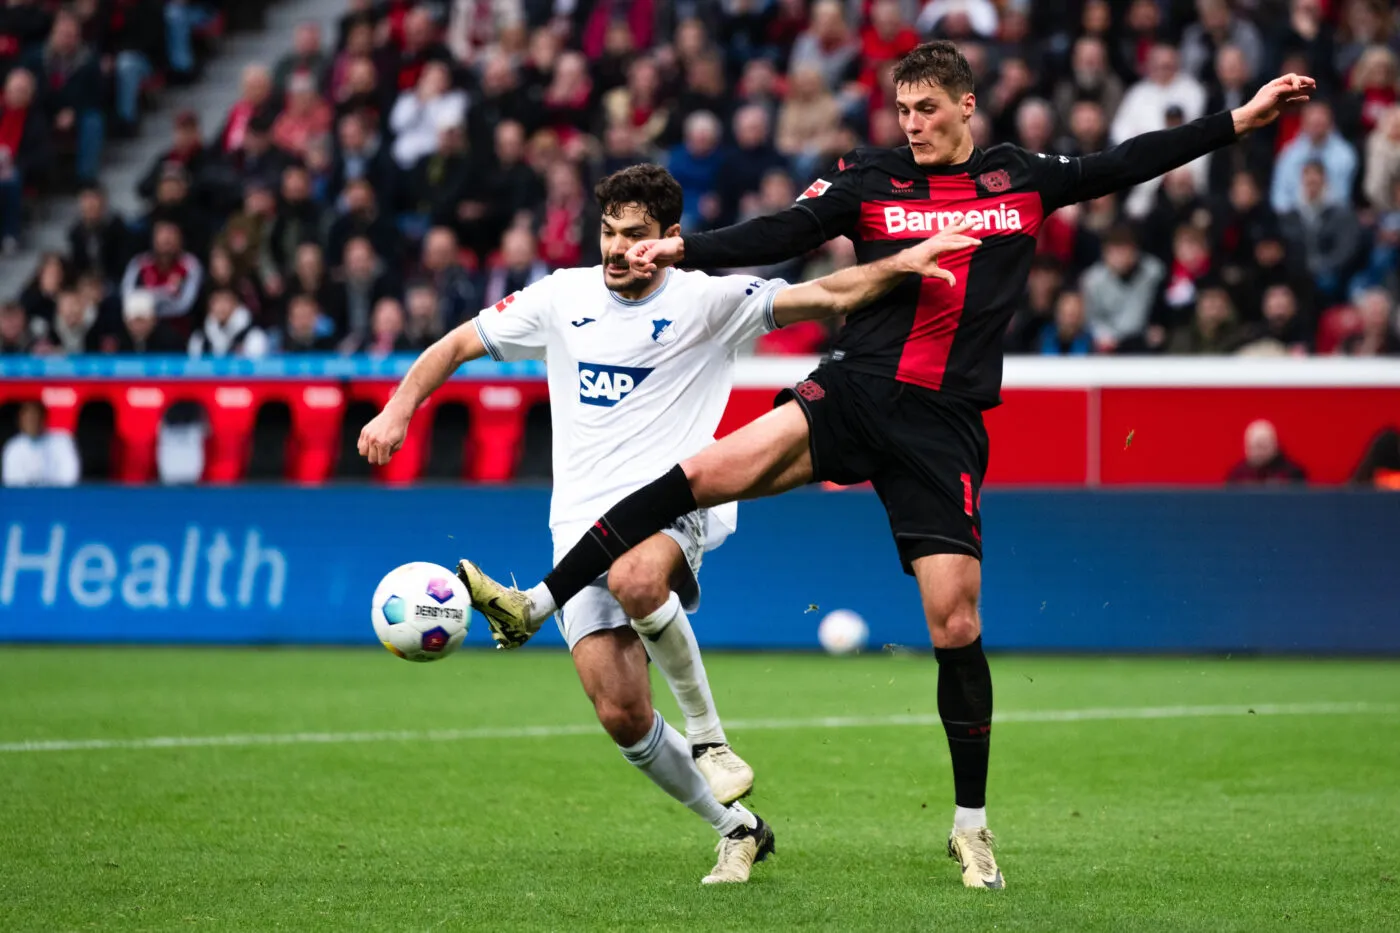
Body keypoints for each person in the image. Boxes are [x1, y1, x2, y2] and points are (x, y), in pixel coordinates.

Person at [448, 41, 1316, 890]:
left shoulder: (1020, 179)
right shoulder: (870, 180)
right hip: (854, 392)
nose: (912, 126)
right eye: (902, 111)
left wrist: (1239, 120)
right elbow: (787, 228)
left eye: (927, 110)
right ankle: (539, 601)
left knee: (957, 626)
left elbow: (1124, 163)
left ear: (965, 105)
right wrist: (688, 249)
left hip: (943, 428)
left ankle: (970, 828)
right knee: (696, 473)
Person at [357, 163, 981, 885]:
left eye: (636, 237)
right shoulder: (563, 296)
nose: (620, 250)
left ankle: (711, 741)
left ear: (671, 237)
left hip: (677, 505)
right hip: (578, 523)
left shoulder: (709, 299)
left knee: (635, 572)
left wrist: (901, 263)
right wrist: (399, 407)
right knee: (621, 712)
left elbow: (827, 293)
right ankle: (739, 827)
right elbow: (456, 344)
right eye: (609, 234)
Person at [2, 401, 80, 487]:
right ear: (20, 421)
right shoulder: (12, 447)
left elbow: (70, 478)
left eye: (35, 417)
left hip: (56, 497)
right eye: (28, 418)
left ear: (43, 418)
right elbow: (11, 482)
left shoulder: (63, 441)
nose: (32, 422)